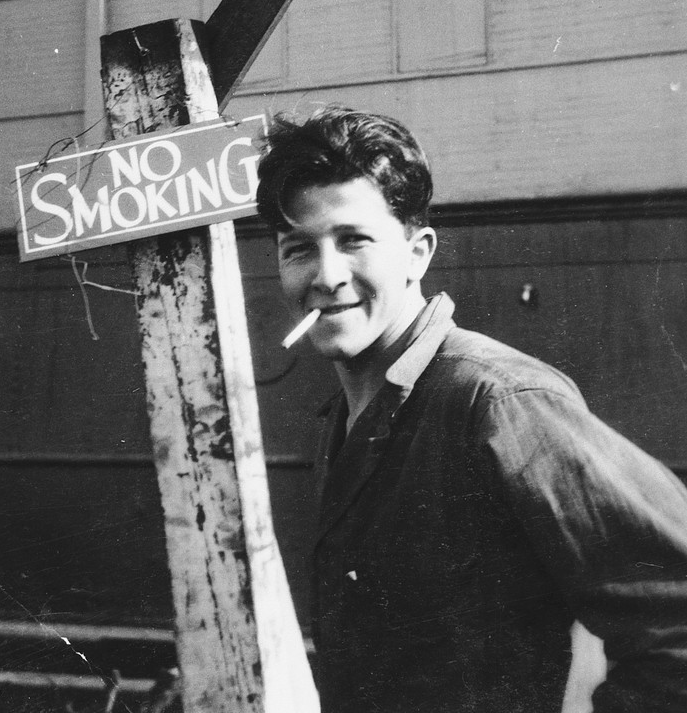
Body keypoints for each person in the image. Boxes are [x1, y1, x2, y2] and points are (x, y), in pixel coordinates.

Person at [255, 106, 687, 713]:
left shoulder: (497, 403)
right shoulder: (343, 418)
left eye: (353, 240)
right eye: (299, 249)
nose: (326, 276)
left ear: (418, 253)